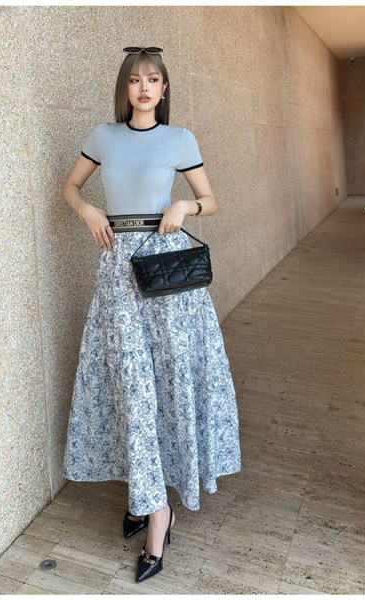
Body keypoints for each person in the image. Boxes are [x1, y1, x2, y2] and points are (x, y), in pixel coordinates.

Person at [61, 46, 241, 583]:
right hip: (118, 271)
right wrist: (87, 209)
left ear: (163, 89)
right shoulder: (103, 136)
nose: (144, 88)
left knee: (165, 381)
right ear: (125, 88)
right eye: (136, 80)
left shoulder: (180, 139)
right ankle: (148, 498)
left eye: (154, 80)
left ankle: (157, 515)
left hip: (165, 274)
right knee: (130, 384)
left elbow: (210, 200)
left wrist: (184, 205)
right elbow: (70, 187)